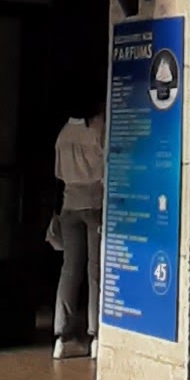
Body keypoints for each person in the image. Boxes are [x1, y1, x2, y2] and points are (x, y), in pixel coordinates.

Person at [52, 102, 105, 358]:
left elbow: (59, 174)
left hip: (69, 205)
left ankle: (61, 336)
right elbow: (107, 168)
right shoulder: (97, 130)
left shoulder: (63, 134)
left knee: (69, 270)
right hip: (94, 204)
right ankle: (96, 334)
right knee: (95, 270)